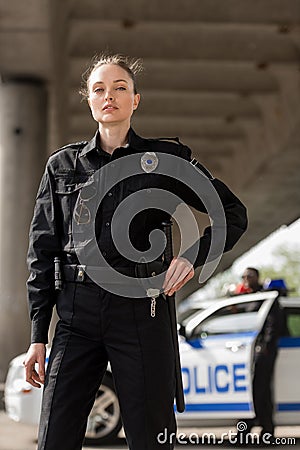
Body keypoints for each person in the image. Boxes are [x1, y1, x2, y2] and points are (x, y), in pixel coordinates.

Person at [23, 53, 248, 450]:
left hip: (142, 313)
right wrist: (38, 336)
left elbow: (232, 212)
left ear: (135, 100)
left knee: (151, 440)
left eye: (120, 88)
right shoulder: (61, 166)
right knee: (54, 438)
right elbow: (43, 250)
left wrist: (192, 255)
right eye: (99, 89)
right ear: (89, 101)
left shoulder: (166, 159)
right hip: (77, 313)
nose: (109, 96)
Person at [237, 267, 281, 442]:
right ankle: (247, 430)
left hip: (262, 352)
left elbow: (273, 324)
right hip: (244, 352)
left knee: (260, 390)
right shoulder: (246, 298)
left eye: (250, 276)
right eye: (244, 276)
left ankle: (265, 430)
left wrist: (266, 347)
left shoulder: (267, 297)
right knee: (247, 391)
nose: (246, 278)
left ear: (258, 277)